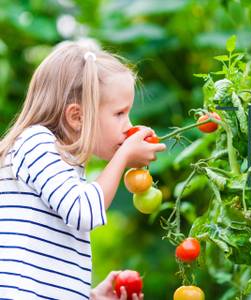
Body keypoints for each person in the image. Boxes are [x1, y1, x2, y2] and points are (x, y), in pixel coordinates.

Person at [0, 40, 166, 299]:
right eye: (119, 113)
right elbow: (83, 211)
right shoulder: (36, 143)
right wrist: (122, 157)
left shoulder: (65, 165)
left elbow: (48, 269)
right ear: (77, 117)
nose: (128, 124)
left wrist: (91, 296)